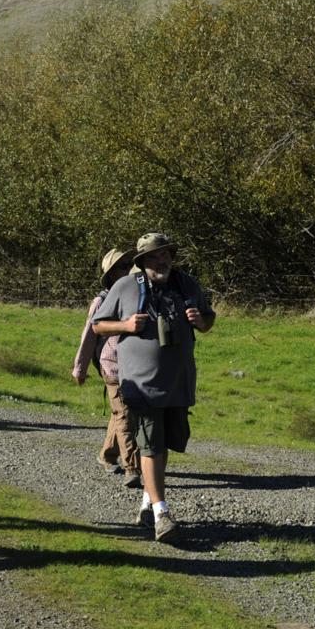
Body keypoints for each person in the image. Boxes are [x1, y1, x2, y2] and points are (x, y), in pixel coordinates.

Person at [92, 233, 215, 544]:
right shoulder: (125, 287)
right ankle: (162, 513)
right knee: (150, 444)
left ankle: (148, 503)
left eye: (166, 255)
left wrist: (200, 320)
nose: (163, 261)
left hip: (178, 381)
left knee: (164, 445)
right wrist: (126, 325)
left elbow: (208, 320)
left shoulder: (186, 284)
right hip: (141, 383)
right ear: (143, 261)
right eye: (155, 257)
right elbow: (98, 324)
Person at [72, 247, 140, 489]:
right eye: (123, 266)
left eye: (130, 264)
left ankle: (107, 455)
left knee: (121, 412)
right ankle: (132, 467)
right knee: (124, 414)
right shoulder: (101, 301)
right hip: (112, 366)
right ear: (111, 274)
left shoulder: (138, 296)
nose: (129, 269)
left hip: (135, 367)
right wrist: (80, 368)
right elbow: (88, 336)